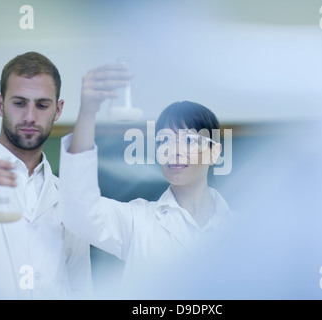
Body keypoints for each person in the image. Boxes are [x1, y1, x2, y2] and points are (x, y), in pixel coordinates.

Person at [59, 63, 233, 297]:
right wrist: (88, 112)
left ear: (214, 152)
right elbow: (79, 210)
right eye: (165, 140)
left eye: (189, 140)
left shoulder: (242, 230)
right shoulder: (138, 222)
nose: (174, 150)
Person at [0, 51, 92, 299]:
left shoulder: (68, 196)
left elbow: (81, 287)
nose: (30, 116)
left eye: (41, 105)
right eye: (19, 103)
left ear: (58, 110)